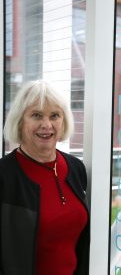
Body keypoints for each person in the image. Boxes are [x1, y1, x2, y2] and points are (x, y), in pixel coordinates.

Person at [0, 80, 90, 275]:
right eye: (36, 115)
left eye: (55, 116)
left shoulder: (76, 168)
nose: (47, 125)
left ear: (63, 121)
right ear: (20, 120)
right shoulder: (4, 176)